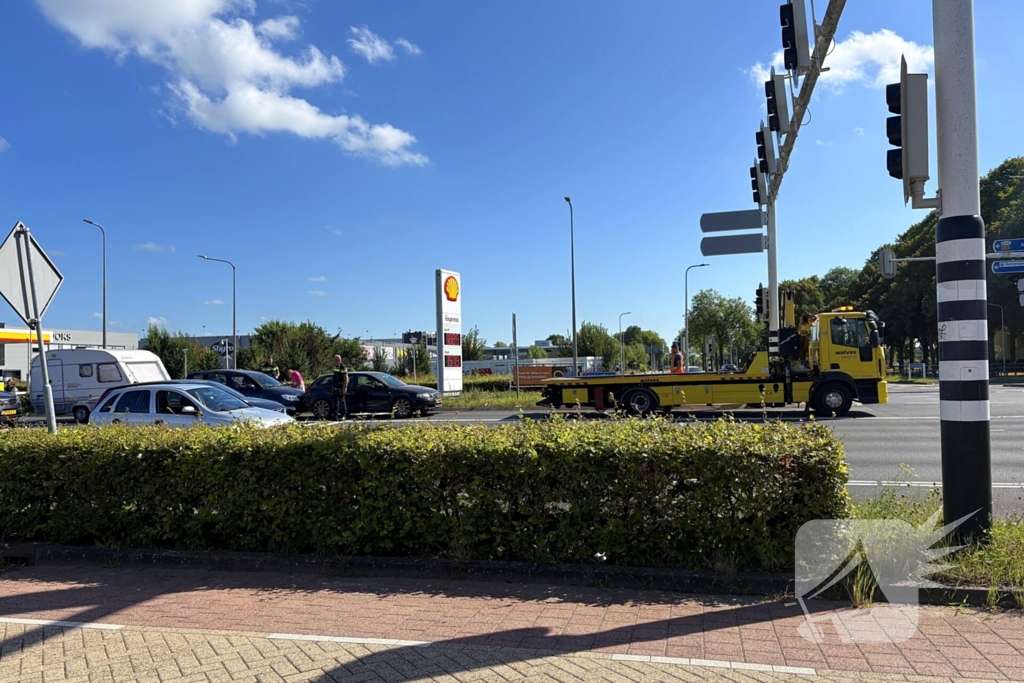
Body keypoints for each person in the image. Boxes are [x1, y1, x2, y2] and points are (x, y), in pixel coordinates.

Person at [331, 355, 349, 420]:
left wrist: (345, 387)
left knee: (342, 401)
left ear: (339, 360)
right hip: (335, 386)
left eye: (335, 360)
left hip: (341, 386)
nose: (334, 361)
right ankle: (335, 415)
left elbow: (346, 377)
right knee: (335, 401)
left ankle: (344, 414)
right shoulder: (335, 366)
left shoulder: (342, 367)